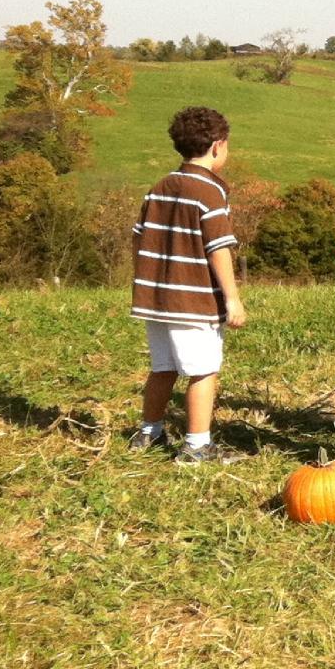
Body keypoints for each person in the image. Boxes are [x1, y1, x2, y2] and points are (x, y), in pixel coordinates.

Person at [127, 105, 248, 464]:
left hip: (155, 299)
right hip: (192, 301)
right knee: (203, 370)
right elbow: (219, 249)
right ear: (216, 146)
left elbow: (138, 238)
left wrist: (147, 279)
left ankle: (149, 431)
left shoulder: (159, 186)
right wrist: (233, 299)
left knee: (162, 367)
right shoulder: (210, 192)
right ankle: (197, 446)